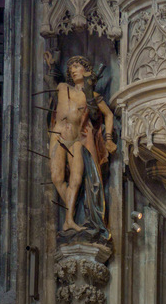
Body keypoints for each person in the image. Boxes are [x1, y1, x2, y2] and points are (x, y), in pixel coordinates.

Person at [45, 52, 116, 239]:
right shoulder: (62, 87)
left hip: (78, 139)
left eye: (77, 66)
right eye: (70, 68)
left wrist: (108, 139)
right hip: (58, 136)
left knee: (76, 178)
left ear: (86, 70)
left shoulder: (92, 95)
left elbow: (107, 115)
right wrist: (52, 67)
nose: (73, 70)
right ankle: (73, 210)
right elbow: (51, 83)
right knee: (57, 178)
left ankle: (69, 219)